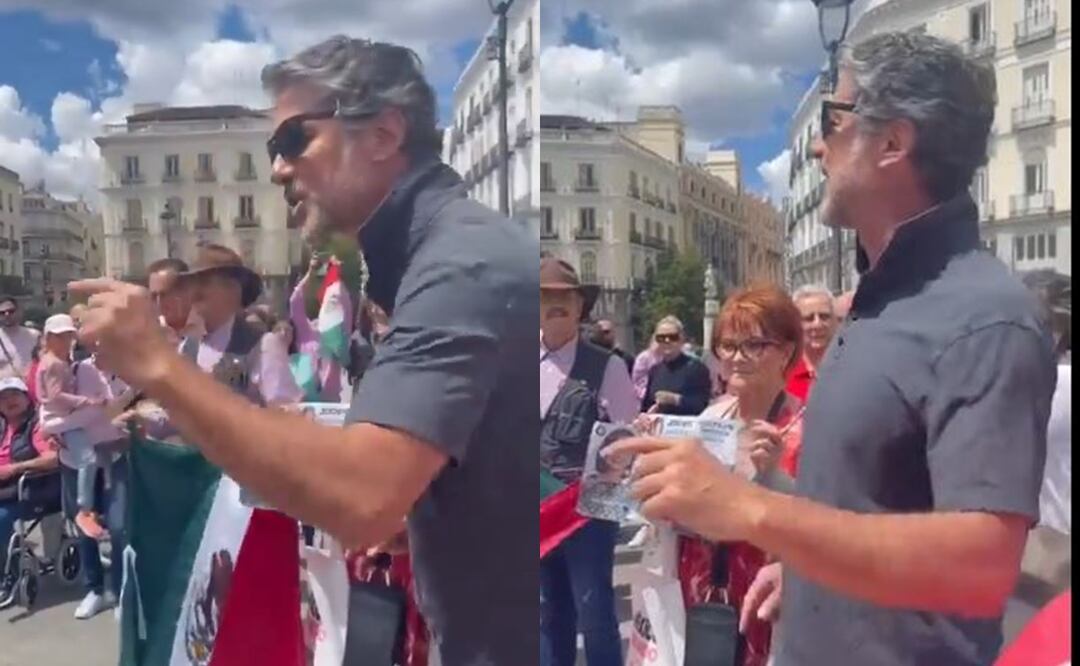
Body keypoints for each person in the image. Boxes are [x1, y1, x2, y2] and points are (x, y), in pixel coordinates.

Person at [73, 35, 537, 666]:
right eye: (273, 148)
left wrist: (158, 365)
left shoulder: (460, 263)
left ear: (382, 134)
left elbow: (361, 498)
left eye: (294, 140)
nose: (277, 169)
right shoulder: (438, 255)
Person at [608, 32, 1057, 666]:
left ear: (894, 142)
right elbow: (871, 502)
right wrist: (808, 570)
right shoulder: (879, 302)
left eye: (833, 120)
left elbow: (983, 563)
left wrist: (751, 510)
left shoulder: (984, 319)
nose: (818, 146)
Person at [675, 285, 806, 666]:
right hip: (701, 595)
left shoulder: (809, 429)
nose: (736, 358)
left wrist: (775, 479)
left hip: (769, 605)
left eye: (753, 345)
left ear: (786, 351)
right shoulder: (709, 420)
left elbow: (827, 527)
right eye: (728, 346)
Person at [539, 257, 637, 666]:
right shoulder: (514, 363)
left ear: (581, 307)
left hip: (588, 514)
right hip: (534, 510)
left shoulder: (608, 364)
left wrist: (618, 454)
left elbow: (627, 438)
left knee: (594, 612)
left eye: (565, 297)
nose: (555, 304)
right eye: (545, 297)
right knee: (547, 612)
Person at [41, 346, 132, 620]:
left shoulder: (131, 375)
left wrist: (57, 426)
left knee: (117, 527)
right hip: (75, 461)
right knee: (84, 527)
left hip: (115, 458)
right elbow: (46, 410)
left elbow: (120, 415)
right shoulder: (75, 370)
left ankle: (119, 592)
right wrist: (51, 430)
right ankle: (94, 589)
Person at [0, 377, 59, 605]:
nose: (9, 401)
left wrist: (15, 467)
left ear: (27, 397)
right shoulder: (3, 427)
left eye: (14, 394)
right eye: (3, 398)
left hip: (27, 491)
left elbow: (52, 458)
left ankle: (10, 575)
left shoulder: (37, 426)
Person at [288, 251, 352, 402]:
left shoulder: (339, 334)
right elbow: (294, 301)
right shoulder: (306, 331)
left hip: (330, 403)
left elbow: (343, 300)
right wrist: (310, 272)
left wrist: (335, 271)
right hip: (304, 399)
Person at [641, 316, 711, 416]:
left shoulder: (696, 368)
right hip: (658, 429)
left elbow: (702, 405)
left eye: (672, 337)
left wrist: (676, 399)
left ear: (681, 339)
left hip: (686, 429)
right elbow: (646, 405)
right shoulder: (655, 370)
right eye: (661, 338)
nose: (667, 341)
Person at [785, 285, 836, 403]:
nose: (817, 325)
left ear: (835, 320)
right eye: (808, 318)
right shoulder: (783, 373)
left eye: (824, 317)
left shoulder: (853, 367)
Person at [147, 258, 205, 346]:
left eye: (164, 295)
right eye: (154, 296)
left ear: (186, 291)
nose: (159, 303)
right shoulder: (148, 333)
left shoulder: (209, 326)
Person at [0, 297, 39, 381]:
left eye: (11, 311)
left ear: (19, 312)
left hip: (28, 388)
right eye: (2, 313)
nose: (7, 315)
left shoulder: (34, 335)